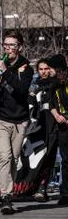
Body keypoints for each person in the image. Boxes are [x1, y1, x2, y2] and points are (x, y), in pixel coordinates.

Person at [0, 30, 34, 215]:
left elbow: (21, 91)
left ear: (19, 47)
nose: (8, 49)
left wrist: (5, 74)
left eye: (12, 45)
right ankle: (5, 196)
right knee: (4, 157)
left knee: (14, 159)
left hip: (20, 120)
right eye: (5, 45)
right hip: (0, 119)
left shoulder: (26, 68)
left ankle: (9, 192)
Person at [28, 58, 57, 202]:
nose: (44, 72)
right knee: (40, 157)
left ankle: (43, 188)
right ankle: (37, 187)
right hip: (39, 127)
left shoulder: (56, 84)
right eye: (41, 69)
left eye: (46, 69)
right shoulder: (35, 86)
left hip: (55, 126)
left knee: (51, 158)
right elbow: (30, 104)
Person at [49, 53, 68, 205]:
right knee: (65, 160)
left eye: (51, 68)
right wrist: (56, 114)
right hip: (62, 127)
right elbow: (50, 103)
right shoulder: (52, 83)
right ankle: (65, 193)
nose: (48, 71)